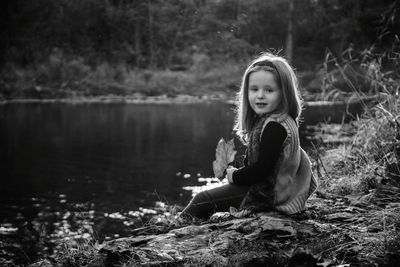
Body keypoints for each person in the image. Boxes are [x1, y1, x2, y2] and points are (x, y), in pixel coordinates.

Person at [180, 52, 318, 219]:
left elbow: (262, 170)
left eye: (269, 90)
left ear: (284, 93)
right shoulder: (284, 120)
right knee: (215, 197)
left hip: (267, 195)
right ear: (246, 92)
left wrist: (234, 175)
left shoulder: (274, 127)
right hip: (279, 190)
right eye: (254, 89)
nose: (260, 95)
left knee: (201, 199)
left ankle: (172, 229)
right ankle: (193, 225)